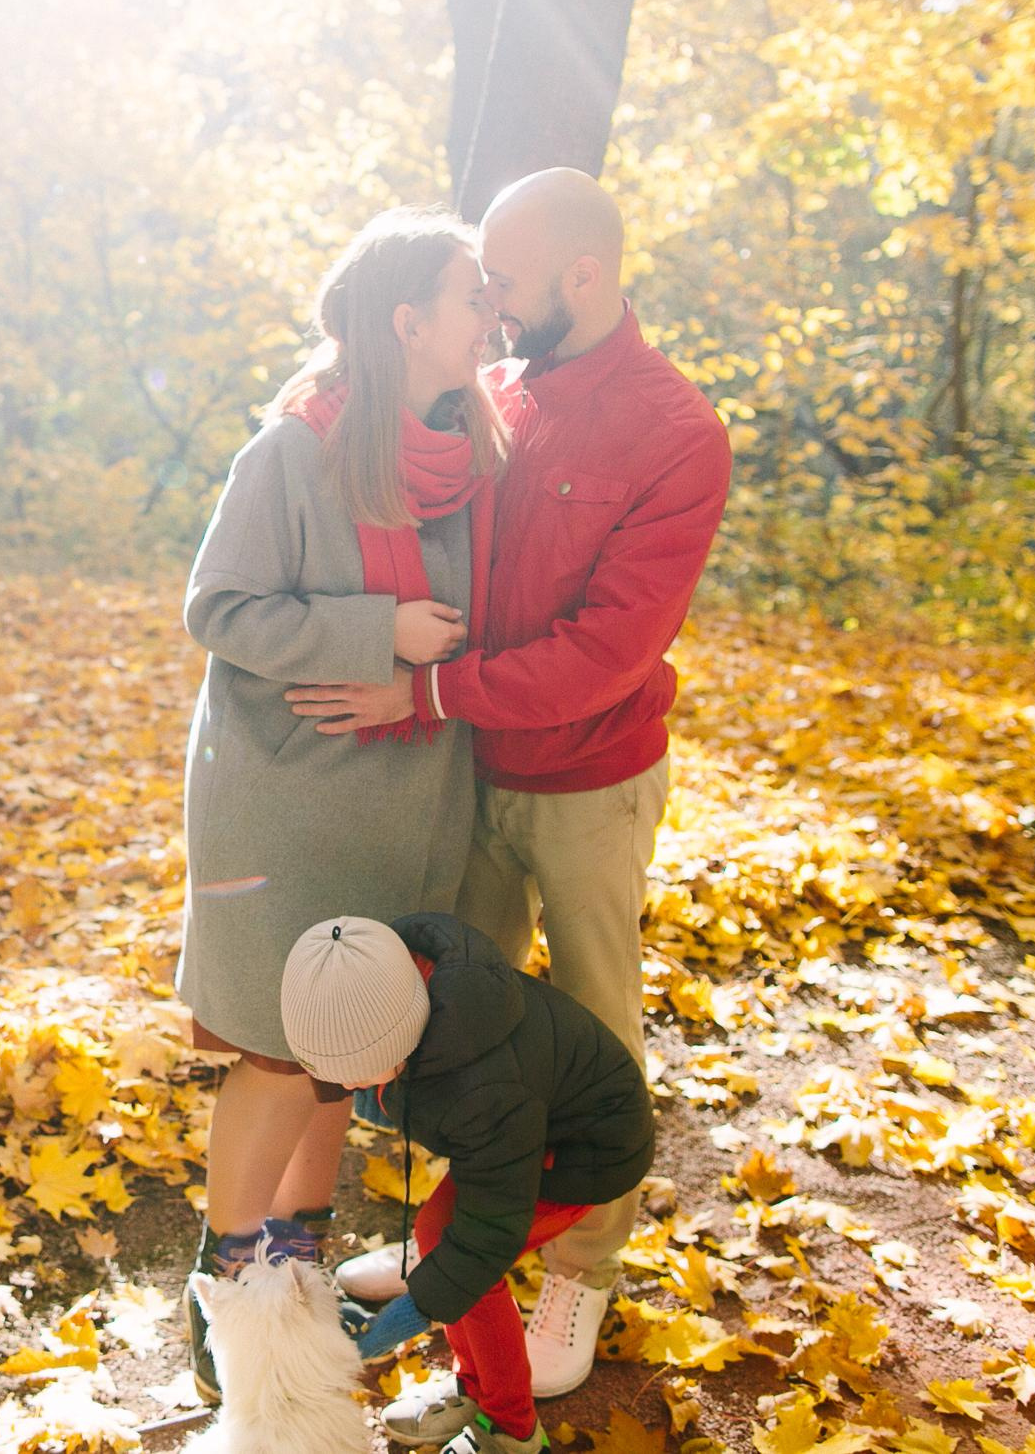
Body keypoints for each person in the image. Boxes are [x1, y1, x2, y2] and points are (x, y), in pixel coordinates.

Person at [288, 169, 732, 1398]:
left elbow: (605, 652)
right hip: (463, 773)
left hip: (588, 780)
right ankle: (451, 1241)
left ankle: (585, 1264)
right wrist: (318, 400)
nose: (486, 305)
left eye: (508, 285)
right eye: (476, 286)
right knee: (452, 1026)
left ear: (582, 278)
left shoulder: (676, 432)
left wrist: (427, 692)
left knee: (592, 1025)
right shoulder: (490, 390)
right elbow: (377, 431)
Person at [175, 206, 512, 1403]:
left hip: (407, 793)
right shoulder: (293, 451)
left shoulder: (467, 453)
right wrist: (377, 631)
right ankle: (224, 1283)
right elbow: (218, 607)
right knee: (276, 1048)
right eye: (474, 294)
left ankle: (299, 1252)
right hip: (286, 798)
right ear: (407, 320)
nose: (493, 313)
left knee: (343, 1047)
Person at [281, 913, 653, 1454]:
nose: (347, 1088)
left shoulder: (483, 1088)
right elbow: (368, 1063)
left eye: (358, 1074)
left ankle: (513, 1430)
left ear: (402, 1043)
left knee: (464, 1270)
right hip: (519, 1135)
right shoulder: (389, 981)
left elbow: (484, 1240)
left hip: (582, 1154)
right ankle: (474, 1386)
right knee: (437, 1239)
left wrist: (395, 1324)